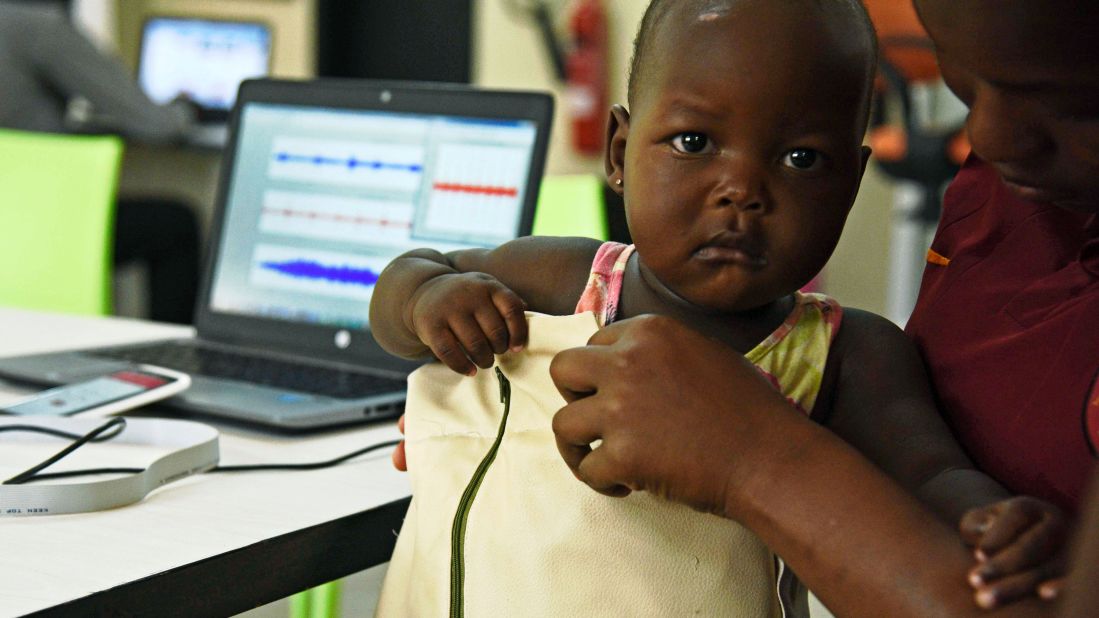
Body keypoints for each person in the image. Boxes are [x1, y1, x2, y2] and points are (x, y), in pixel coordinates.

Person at [370, 0, 1068, 610]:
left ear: (850, 186)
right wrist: (428, 297)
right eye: (693, 142)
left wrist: (990, 518)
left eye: (799, 159)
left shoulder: (844, 354)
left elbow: (931, 477)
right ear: (619, 152)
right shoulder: (560, 276)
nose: (741, 189)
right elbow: (408, 279)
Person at [0, 0, 200, 323]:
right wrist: (184, 110)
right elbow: (157, 125)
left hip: (11, 224)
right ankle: (172, 354)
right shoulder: (39, 26)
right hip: (40, 226)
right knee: (177, 225)